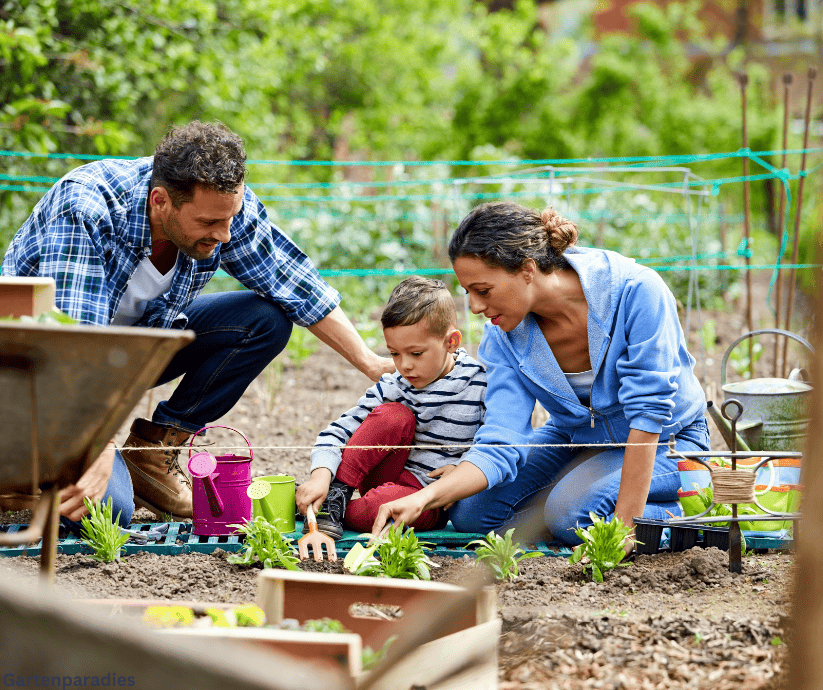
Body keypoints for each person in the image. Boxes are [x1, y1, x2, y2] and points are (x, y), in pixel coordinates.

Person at [1, 121, 393, 530]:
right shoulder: (86, 207)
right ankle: (26, 468)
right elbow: (70, 347)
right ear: (161, 201)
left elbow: (293, 282)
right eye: (208, 224)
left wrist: (369, 362)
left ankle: (150, 455)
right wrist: (97, 450)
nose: (224, 235)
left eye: (229, 219)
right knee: (108, 508)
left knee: (264, 320)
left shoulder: (221, 207)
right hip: (33, 377)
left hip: (128, 353)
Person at [370, 202, 710, 549]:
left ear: (527, 269)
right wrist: (426, 497)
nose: (473, 307)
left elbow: (649, 413)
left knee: (573, 517)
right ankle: (575, 498)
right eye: (467, 292)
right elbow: (502, 436)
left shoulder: (635, 291)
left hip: (670, 441)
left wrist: (624, 528)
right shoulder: (503, 335)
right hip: (575, 439)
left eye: (483, 290)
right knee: (472, 514)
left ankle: (692, 510)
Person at [295, 276, 486, 538]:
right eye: (394, 353)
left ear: (451, 342)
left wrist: (462, 469)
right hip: (384, 472)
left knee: (378, 508)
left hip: (427, 498)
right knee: (394, 415)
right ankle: (332, 497)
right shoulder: (395, 384)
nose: (404, 365)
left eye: (416, 353)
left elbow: (494, 444)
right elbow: (339, 432)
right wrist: (321, 476)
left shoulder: (479, 385)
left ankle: (323, 509)